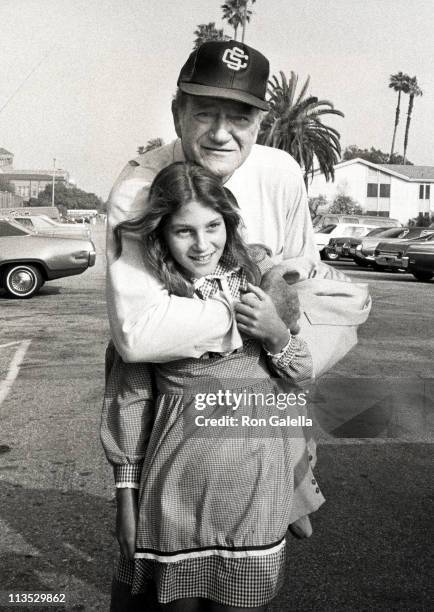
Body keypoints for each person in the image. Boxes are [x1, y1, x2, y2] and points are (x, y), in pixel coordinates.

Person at [101, 162, 324, 611]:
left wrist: (276, 332)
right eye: (184, 231)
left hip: (257, 487)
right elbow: (130, 404)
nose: (202, 244)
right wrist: (126, 502)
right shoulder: (154, 305)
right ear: (161, 233)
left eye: (213, 226)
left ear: (229, 222)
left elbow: (300, 373)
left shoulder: (259, 283)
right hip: (174, 493)